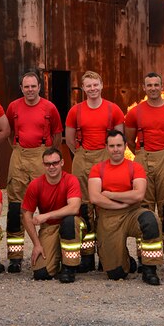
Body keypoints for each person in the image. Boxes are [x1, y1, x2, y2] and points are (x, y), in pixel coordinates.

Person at [4, 71, 64, 273]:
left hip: (41, 155)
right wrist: (18, 150)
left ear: (39, 87)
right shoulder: (13, 107)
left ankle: (51, 248)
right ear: (21, 88)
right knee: (15, 207)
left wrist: (47, 155)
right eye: (26, 87)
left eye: (33, 86)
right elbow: (9, 131)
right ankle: (15, 256)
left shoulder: (50, 108)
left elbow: (57, 134)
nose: (30, 90)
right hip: (19, 155)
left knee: (48, 202)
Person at [64, 71, 125, 271]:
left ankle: (107, 252)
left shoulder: (113, 109)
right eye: (88, 86)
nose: (92, 89)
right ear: (83, 89)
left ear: (101, 85)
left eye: (95, 85)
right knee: (84, 207)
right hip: (83, 157)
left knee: (106, 204)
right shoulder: (75, 111)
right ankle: (87, 256)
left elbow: (119, 140)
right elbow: (70, 140)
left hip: (106, 158)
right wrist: (81, 155)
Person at [124, 72, 164, 262]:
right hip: (142, 157)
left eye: (156, 85)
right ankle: (145, 255)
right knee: (143, 207)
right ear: (144, 88)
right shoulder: (135, 112)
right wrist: (141, 155)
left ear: (162, 87)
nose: (153, 88)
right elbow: (129, 140)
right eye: (149, 85)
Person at [88, 130, 163, 285]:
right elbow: (95, 197)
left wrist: (110, 194)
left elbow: (138, 195)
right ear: (106, 147)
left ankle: (149, 269)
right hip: (108, 218)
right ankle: (127, 261)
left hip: (132, 213)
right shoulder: (98, 169)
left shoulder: (135, 167)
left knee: (150, 220)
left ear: (125, 146)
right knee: (116, 274)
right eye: (112, 146)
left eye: (119, 145)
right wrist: (121, 202)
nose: (116, 149)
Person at [21, 147, 83, 283]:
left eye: (55, 163)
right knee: (41, 273)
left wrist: (47, 215)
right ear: (43, 165)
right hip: (49, 229)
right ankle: (58, 257)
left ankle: (69, 267)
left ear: (62, 163)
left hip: (71, 225)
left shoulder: (71, 180)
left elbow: (74, 207)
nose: (52, 167)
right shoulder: (35, 185)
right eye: (48, 164)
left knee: (69, 221)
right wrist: (37, 244)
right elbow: (26, 215)